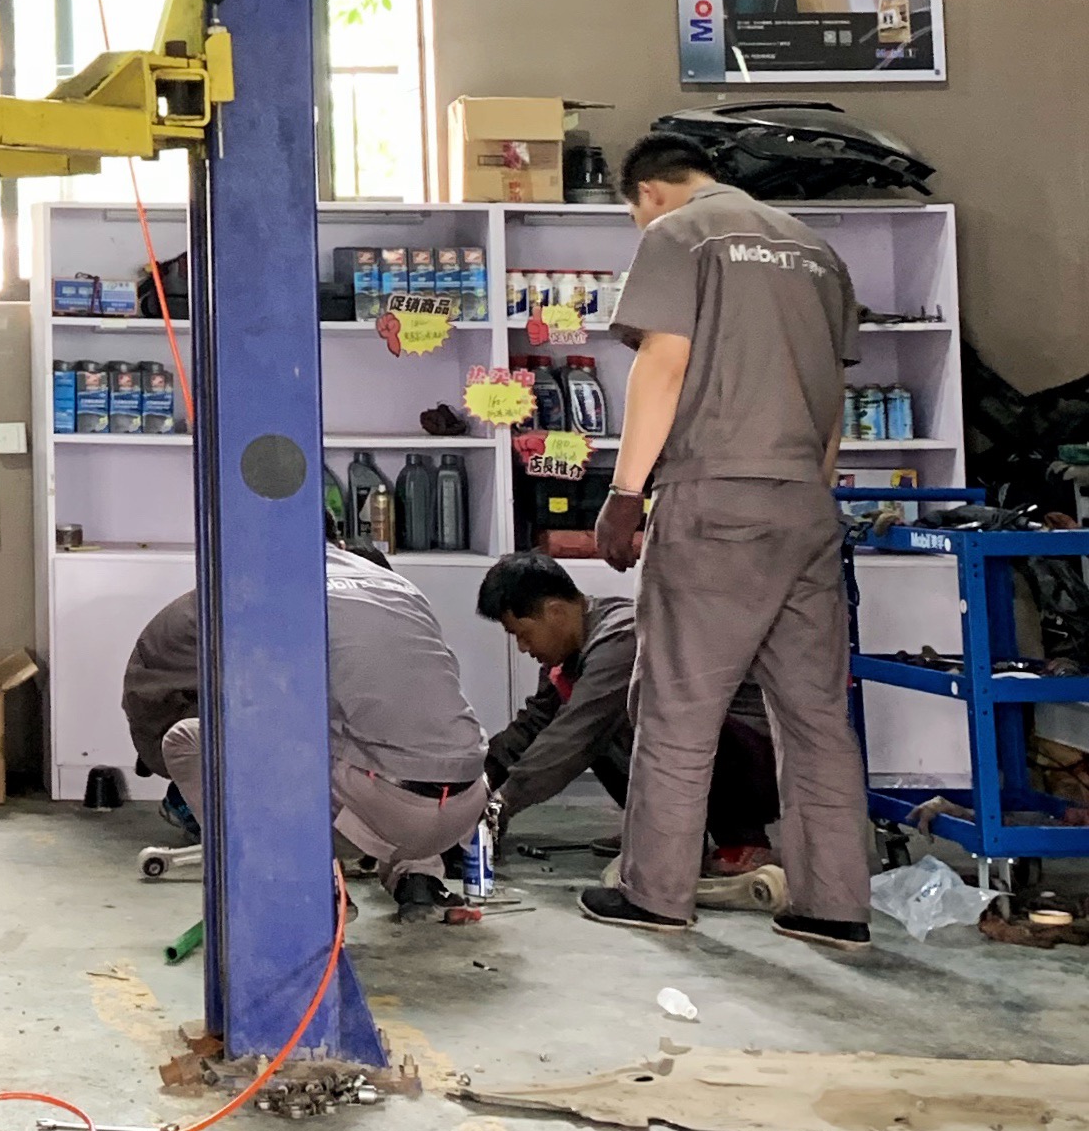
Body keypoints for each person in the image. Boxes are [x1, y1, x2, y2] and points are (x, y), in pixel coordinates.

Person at [581, 130, 870, 946]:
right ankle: (834, 905)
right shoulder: (816, 252)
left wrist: (625, 493)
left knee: (677, 702)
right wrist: (808, 493)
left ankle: (656, 893)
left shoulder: (680, 234)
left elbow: (663, 364)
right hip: (807, 506)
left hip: (714, 499)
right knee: (816, 717)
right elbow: (830, 399)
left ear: (649, 192)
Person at [158, 541, 487, 916]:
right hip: (466, 805)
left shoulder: (278, 590)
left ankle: (294, 888)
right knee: (396, 726)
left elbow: (263, 713)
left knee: (188, 740)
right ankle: (418, 878)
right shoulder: (398, 585)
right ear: (339, 545)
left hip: (387, 812)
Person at [476, 549, 779, 866]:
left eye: (523, 634)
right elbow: (533, 726)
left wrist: (503, 803)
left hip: (752, 754)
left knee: (590, 729)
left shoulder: (621, 637)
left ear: (554, 611)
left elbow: (575, 736)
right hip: (719, 754)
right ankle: (658, 828)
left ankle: (742, 840)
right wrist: (479, 782)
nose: (523, 648)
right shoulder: (570, 658)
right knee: (587, 722)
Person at [120, 588, 202, 835]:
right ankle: (187, 799)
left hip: (170, 717)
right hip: (169, 729)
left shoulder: (225, 594)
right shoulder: (226, 611)